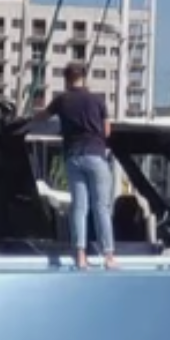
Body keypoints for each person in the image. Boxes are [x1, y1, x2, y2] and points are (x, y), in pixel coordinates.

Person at [34, 63, 116, 270]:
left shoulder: (62, 100)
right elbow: (107, 131)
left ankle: (80, 255)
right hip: (96, 155)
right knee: (101, 208)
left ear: (66, 79)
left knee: (79, 208)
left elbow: (42, 117)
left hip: (73, 157)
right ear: (84, 77)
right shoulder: (98, 100)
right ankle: (108, 256)